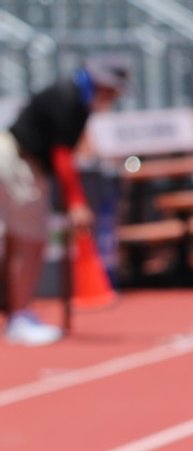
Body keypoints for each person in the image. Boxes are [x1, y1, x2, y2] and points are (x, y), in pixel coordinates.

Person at [0, 57, 128, 346]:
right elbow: (62, 156)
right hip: (20, 163)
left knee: (20, 241)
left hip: (18, 159)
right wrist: (76, 202)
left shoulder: (74, 96)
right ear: (103, 85)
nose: (114, 98)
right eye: (113, 91)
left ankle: (18, 312)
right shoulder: (69, 100)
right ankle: (19, 316)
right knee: (29, 242)